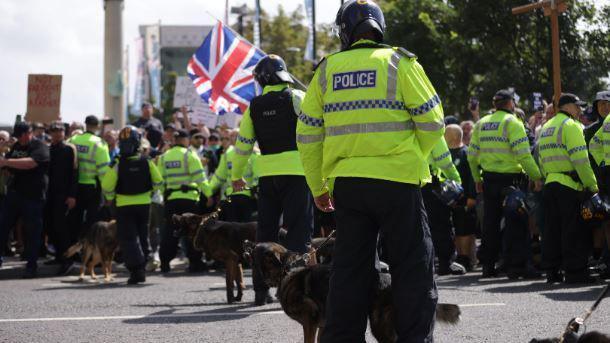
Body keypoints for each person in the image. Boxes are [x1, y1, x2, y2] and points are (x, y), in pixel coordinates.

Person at [296, 1, 442, 340]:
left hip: (348, 187)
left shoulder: (327, 70)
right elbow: (433, 121)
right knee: (412, 269)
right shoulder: (399, 62)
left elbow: (307, 135)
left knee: (349, 272)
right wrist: (410, 156)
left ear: (345, 32)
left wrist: (318, 186)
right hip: (398, 182)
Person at [231, 54, 314, 306]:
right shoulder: (298, 98)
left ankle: (260, 291)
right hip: (298, 174)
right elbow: (317, 131)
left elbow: (243, 145)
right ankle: (296, 288)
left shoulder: (254, 106)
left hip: (267, 177)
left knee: (265, 235)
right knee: (298, 233)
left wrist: (236, 176)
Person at [468, 89, 543, 279]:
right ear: (511, 104)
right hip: (511, 181)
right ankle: (517, 267)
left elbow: (471, 156)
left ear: (495, 104)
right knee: (516, 223)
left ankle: (488, 266)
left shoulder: (481, 124)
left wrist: (477, 178)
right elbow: (523, 155)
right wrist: (536, 176)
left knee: (490, 225)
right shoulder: (513, 123)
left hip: (489, 180)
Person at [539, 94, 599, 283]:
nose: (580, 110)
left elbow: (540, 158)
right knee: (573, 230)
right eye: (577, 106)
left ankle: (552, 271)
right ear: (568, 107)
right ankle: (575, 272)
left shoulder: (547, 127)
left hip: (550, 183)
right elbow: (580, 159)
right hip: (569, 184)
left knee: (551, 230)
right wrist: (592, 185)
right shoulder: (571, 126)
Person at [102, 126, 163, 284]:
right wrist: (149, 193)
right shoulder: (147, 161)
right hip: (144, 205)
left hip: (123, 205)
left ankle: (136, 269)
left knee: (129, 238)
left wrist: (110, 197)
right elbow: (158, 181)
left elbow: (107, 185)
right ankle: (142, 267)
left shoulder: (117, 162)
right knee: (142, 236)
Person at [157, 129, 211, 273]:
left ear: (175, 140)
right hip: (189, 200)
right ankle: (195, 262)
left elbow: (159, 181)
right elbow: (201, 178)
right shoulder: (190, 155)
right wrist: (210, 195)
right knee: (192, 232)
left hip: (171, 200)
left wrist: (165, 195)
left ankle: (165, 263)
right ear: (186, 140)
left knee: (170, 232)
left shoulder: (164, 157)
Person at [0, 122, 50, 277]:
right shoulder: (16, 147)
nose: (20, 139)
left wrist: (6, 162)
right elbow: (6, 164)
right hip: (15, 194)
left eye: (22, 135)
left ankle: (31, 265)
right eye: (18, 136)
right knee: (2, 227)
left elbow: (31, 164)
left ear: (29, 133)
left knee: (32, 232)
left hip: (33, 195)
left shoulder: (40, 146)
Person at [422, 137, 465, 275]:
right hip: (431, 186)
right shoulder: (431, 128)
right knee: (440, 226)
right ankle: (445, 263)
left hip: (407, 183)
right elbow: (445, 162)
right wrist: (457, 181)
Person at [68, 115, 110, 242]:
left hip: (74, 187)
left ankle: (72, 249)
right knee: (92, 221)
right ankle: (87, 248)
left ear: (85, 124)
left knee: (74, 219)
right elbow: (104, 171)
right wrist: (108, 194)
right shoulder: (100, 143)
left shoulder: (73, 139)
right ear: (97, 127)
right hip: (92, 187)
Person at [44, 121, 78, 275]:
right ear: (50, 133)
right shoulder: (48, 149)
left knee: (61, 228)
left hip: (63, 194)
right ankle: (58, 256)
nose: (57, 133)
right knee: (51, 226)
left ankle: (67, 260)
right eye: (54, 131)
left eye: (60, 130)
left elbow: (74, 173)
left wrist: (72, 195)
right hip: (49, 194)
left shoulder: (69, 149)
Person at [587, 90, 610, 280]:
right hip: (599, 180)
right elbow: (590, 150)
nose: (605, 107)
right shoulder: (590, 130)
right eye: (601, 104)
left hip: (605, 178)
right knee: (603, 221)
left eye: (608, 103)